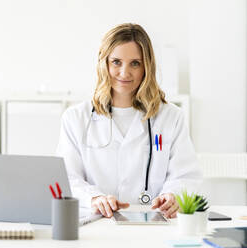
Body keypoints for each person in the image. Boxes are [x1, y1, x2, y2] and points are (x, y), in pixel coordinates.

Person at [56, 23, 202, 219]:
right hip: (98, 224)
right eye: (116, 62)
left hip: (153, 224)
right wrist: (94, 198)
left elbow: (185, 176)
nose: (125, 73)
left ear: (147, 67)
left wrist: (171, 196)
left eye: (135, 63)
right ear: (104, 63)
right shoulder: (75, 118)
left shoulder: (170, 117)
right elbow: (67, 178)